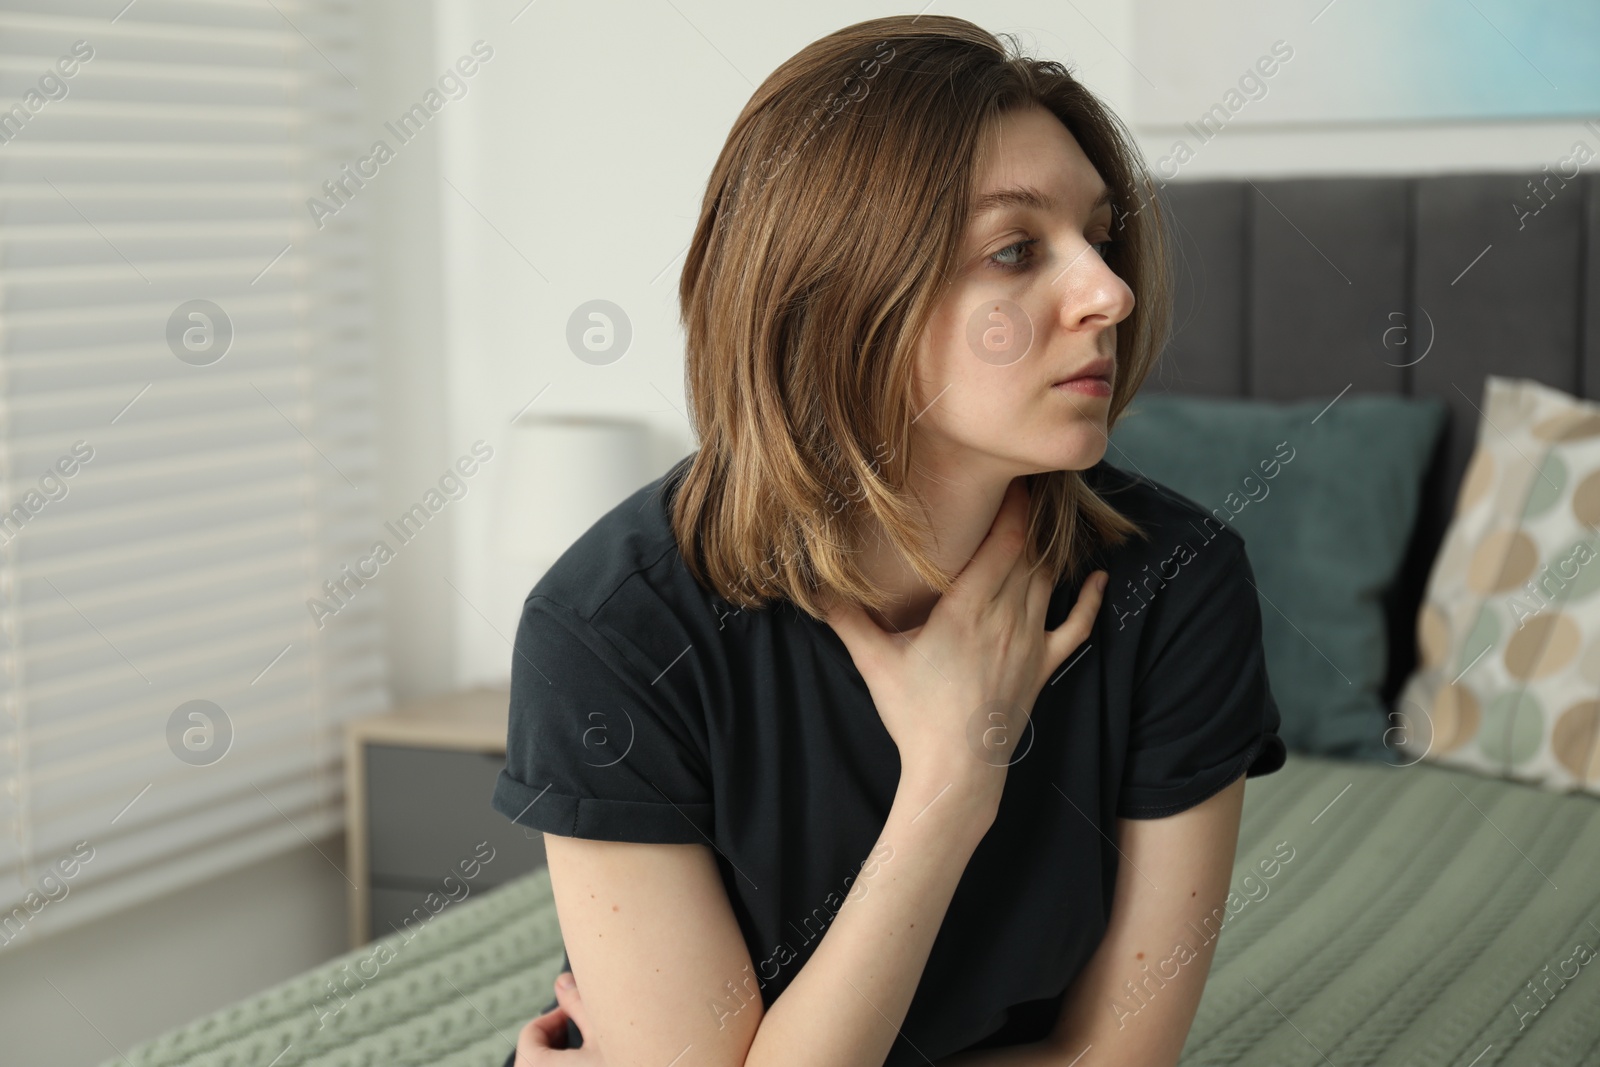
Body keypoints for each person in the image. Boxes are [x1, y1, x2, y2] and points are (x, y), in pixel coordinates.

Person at [493, 13, 1286, 1067]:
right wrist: (950, 784)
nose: (1110, 290)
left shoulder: (1175, 584)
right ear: (837, 295)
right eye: (1015, 249)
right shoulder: (610, 628)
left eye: (1098, 236)